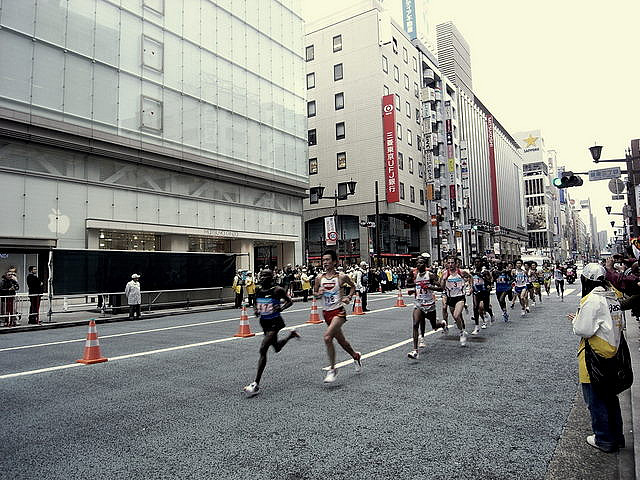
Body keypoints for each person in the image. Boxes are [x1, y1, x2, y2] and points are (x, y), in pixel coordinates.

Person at [570, 263, 627, 453]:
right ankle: (617, 437)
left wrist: (576, 319)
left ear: (586, 280)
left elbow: (583, 329)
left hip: (594, 356)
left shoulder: (592, 300)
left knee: (596, 399)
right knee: (610, 397)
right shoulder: (612, 296)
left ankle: (603, 438)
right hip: (613, 352)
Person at [243, 269, 299, 397]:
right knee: (277, 348)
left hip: (275, 322)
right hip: (264, 323)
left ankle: (255, 384)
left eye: (265, 276)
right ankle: (292, 335)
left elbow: (290, 301)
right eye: (261, 275)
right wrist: (256, 310)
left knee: (263, 349)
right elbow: (255, 303)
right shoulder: (258, 290)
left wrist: (281, 307)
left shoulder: (277, 290)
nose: (262, 278)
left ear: (271, 277)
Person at [314, 250, 362, 383]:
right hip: (326, 313)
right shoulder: (319, 278)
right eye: (323, 260)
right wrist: (319, 293)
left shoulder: (341, 277)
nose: (325, 263)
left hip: (338, 312)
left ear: (335, 262)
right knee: (342, 341)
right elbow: (315, 293)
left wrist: (348, 297)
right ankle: (355, 355)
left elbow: (353, 286)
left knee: (327, 337)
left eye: (328, 260)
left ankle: (332, 369)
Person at [406, 256, 446, 359]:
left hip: (429, 304)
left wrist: (429, 287)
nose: (419, 265)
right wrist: (413, 290)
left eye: (421, 263)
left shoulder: (430, 275)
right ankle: (415, 351)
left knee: (434, 325)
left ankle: (442, 324)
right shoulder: (415, 275)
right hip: (419, 303)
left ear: (425, 265)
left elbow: (441, 288)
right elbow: (413, 285)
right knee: (415, 324)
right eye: (417, 263)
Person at [440, 256, 472, 347]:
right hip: (450, 298)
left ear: (456, 263)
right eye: (449, 263)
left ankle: (462, 333)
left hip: (460, 297)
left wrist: (471, 288)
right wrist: (444, 279)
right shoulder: (445, 273)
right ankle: (461, 330)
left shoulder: (461, 272)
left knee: (456, 315)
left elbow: (470, 277)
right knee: (456, 318)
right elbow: (441, 287)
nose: (450, 264)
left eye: (452, 262)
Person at [470, 257, 494, 333]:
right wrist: (470, 287)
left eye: (478, 262)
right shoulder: (472, 271)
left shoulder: (485, 271)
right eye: (475, 262)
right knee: (476, 307)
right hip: (476, 291)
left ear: (481, 263)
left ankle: (491, 314)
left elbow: (489, 280)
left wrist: (481, 276)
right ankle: (476, 326)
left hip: (484, 291)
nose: (477, 263)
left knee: (486, 307)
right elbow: (471, 280)